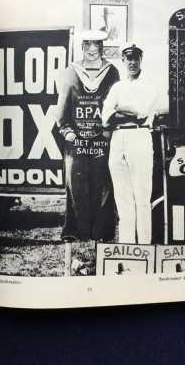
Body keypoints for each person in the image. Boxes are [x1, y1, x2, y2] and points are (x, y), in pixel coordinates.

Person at [55, 30, 120, 241]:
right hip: (77, 139)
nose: (92, 49)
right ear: (82, 46)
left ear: (102, 47)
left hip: (102, 138)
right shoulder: (70, 72)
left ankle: (102, 232)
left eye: (97, 44)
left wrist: (109, 130)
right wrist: (67, 131)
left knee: (103, 185)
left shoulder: (112, 72)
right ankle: (75, 232)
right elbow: (62, 108)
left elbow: (115, 105)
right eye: (88, 44)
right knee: (75, 185)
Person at [102, 44, 158, 244]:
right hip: (118, 139)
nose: (132, 62)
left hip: (139, 136)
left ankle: (144, 244)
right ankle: (126, 245)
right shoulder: (117, 87)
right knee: (122, 198)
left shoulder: (149, 85)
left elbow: (141, 113)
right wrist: (124, 112)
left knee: (142, 196)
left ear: (141, 60)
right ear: (123, 61)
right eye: (128, 58)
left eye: (136, 58)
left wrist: (120, 109)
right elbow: (105, 117)